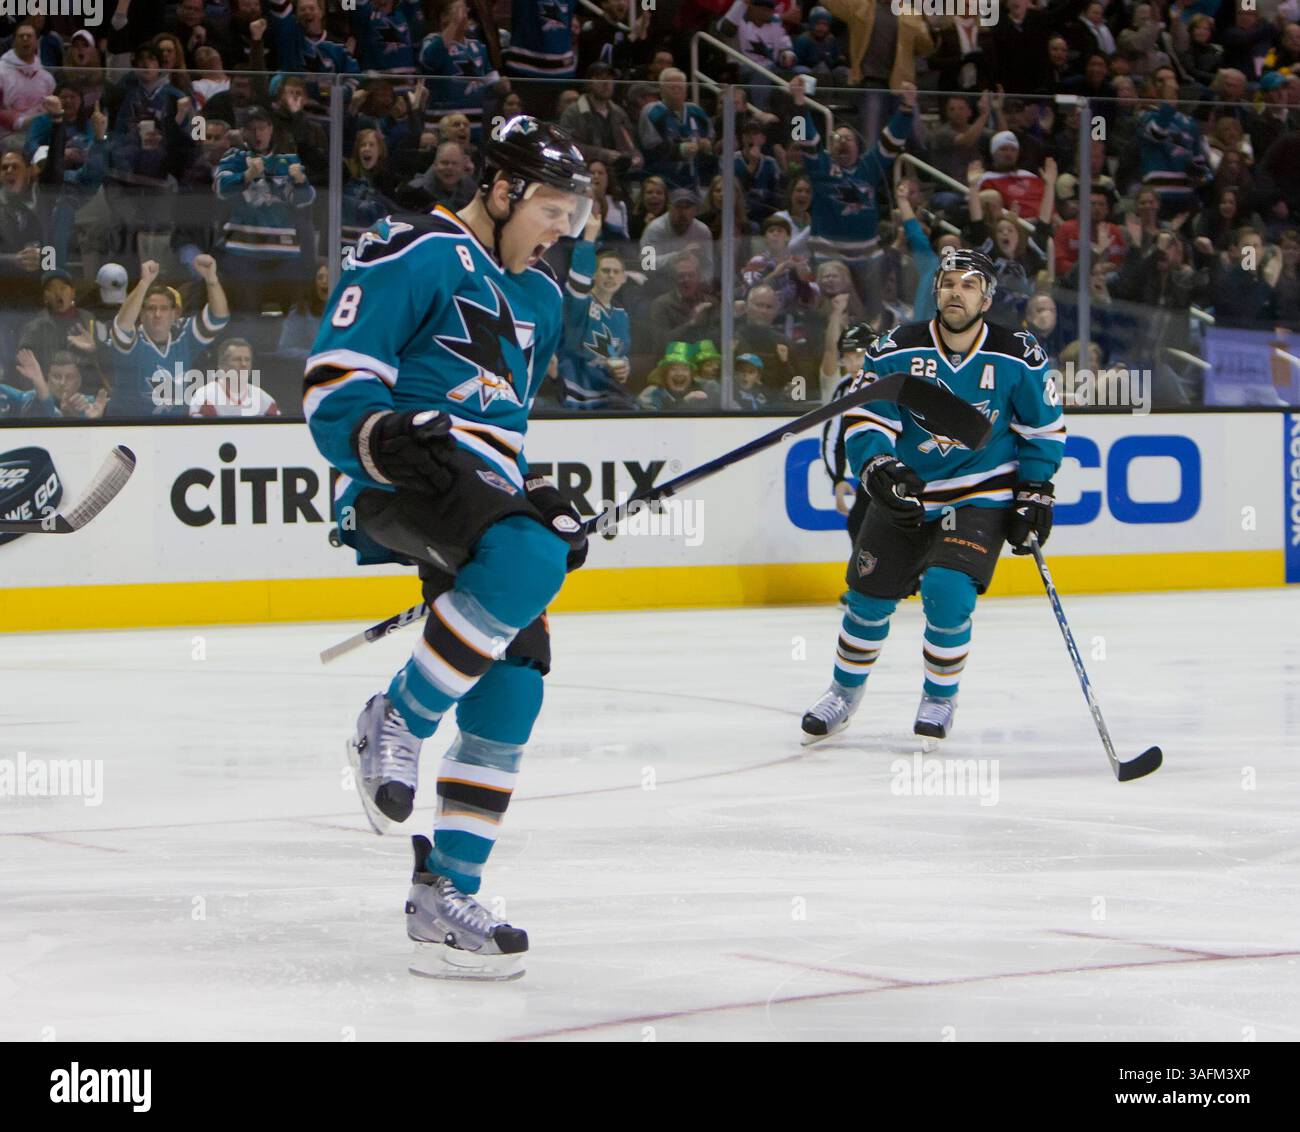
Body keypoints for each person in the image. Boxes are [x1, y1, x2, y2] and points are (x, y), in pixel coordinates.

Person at [304, 116, 595, 981]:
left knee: (513, 689)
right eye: (550, 208)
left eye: (572, 216)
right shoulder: (415, 248)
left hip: (480, 491)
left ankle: (446, 893)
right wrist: (378, 433)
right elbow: (333, 378)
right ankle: (394, 717)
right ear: (500, 189)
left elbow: (505, 431)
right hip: (406, 472)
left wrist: (535, 493)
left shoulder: (540, 298)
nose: (560, 230)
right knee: (533, 560)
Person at [800, 249, 1064, 746]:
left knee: (947, 592)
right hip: (909, 491)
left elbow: (1043, 430)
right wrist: (878, 465)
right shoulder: (896, 346)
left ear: (986, 297)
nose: (955, 292)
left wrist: (1035, 492)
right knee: (867, 598)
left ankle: (939, 698)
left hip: (978, 495)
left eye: (968, 284)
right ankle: (842, 694)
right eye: (948, 283)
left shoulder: (1017, 353)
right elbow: (867, 418)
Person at [106, 255, 230, 418]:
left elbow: (219, 317)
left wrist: (211, 280)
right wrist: (144, 283)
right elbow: (122, 327)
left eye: (164, 308)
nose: (157, 314)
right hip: (129, 427)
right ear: (141, 314)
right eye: (151, 308)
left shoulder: (185, 337)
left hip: (176, 428)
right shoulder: (133, 341)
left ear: (175, 314)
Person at [559, 213, 634, 409]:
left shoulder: (621, 314)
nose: (611, 276)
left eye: (616, 272)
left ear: (624, 278)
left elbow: (619, 352)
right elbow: (579, 281)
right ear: (593, 273)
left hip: (607, 394)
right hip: (576, 392)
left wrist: (624, 366)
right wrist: (589, 238)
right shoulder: (580, 303)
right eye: (605, 270)